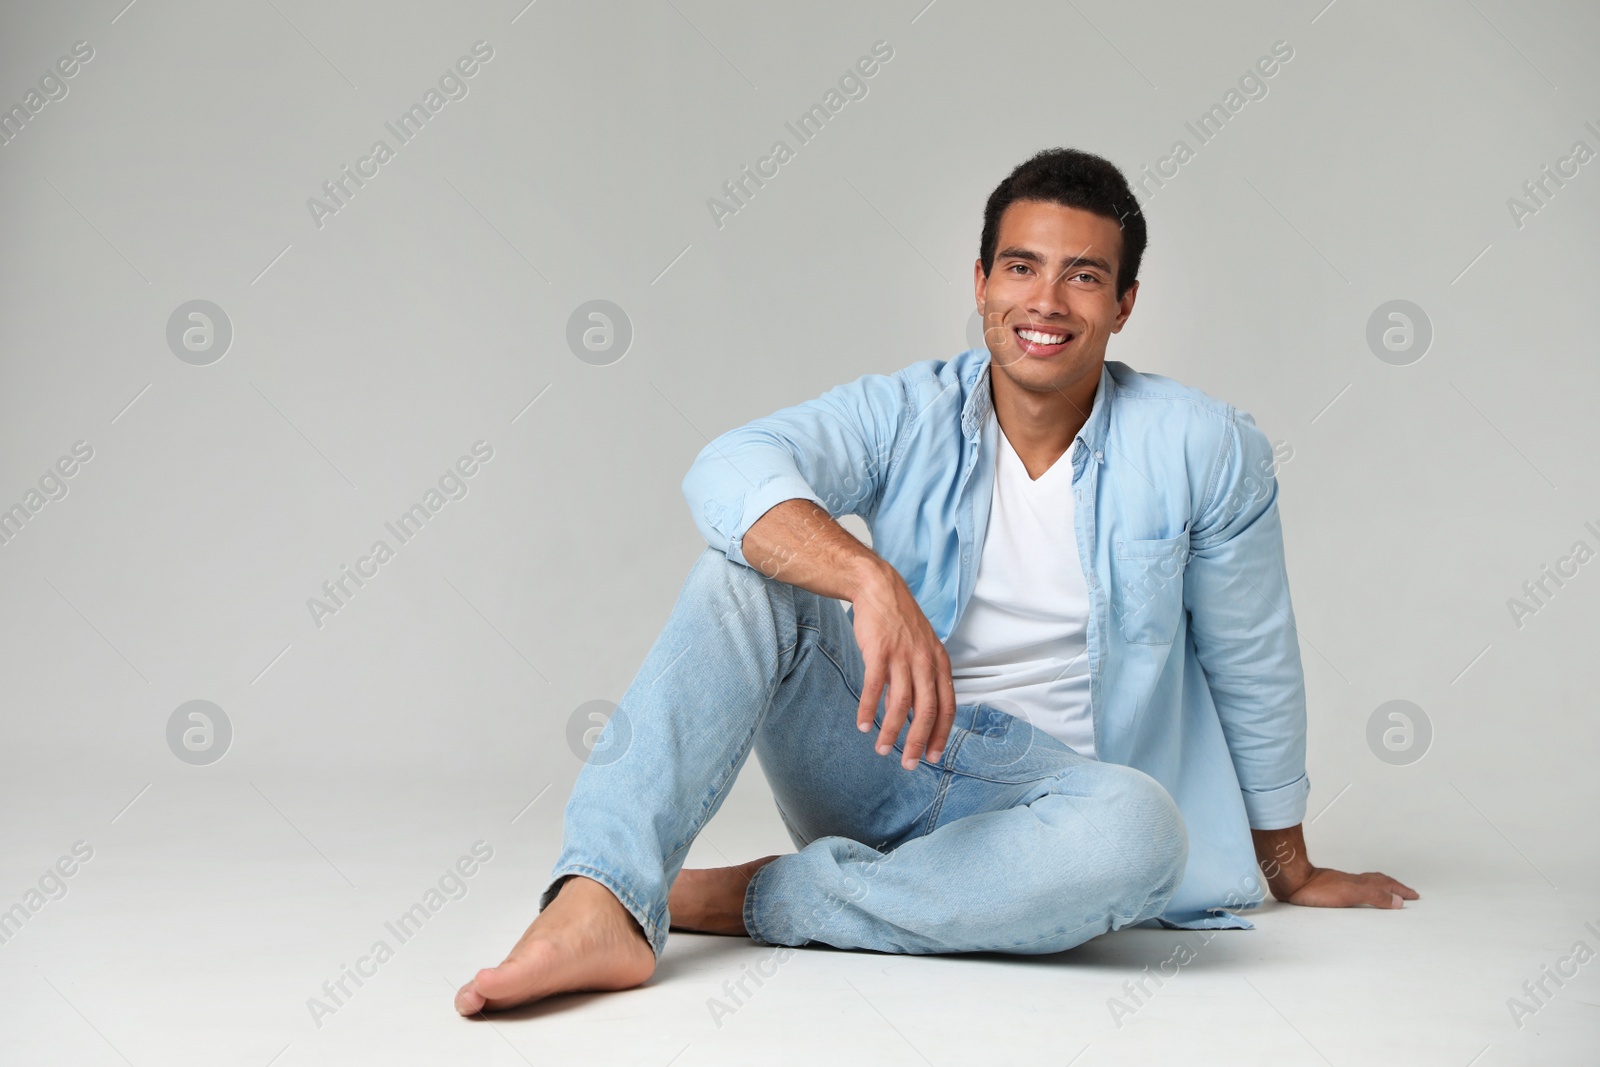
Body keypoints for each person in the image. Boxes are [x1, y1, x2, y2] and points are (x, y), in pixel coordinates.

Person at [454, 146, 1417, 1016]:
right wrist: (868, 577)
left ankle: (745, 894)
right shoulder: (907, 411)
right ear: (981, 281)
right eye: (1021, 267)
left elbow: (1256, 656)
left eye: (1084, 276)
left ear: (1124, 303)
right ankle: (603, 898)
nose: (1046, 301)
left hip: (1063, 803)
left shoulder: (1204, 446)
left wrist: (1287, 863)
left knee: (1142, 834)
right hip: (888, 751)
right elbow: (728, 467)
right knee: (742, 574)